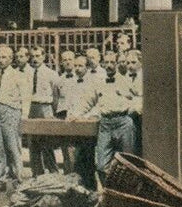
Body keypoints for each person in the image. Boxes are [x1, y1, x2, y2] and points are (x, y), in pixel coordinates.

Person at [79, 49, 138, 184]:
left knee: (128, 162)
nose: (109, 65)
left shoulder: (126, 80)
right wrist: (76, 115)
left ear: (117, 64)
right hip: (105, 125)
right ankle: (109, 190)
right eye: (106, 62)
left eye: (112, 62)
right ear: (103, 64)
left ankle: (125, 192)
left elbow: (139, 97)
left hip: (124, 123)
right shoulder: (98, 82)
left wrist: (132, 109)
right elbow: (87, 101)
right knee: (101, 164)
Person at [0, 45, 29, 192]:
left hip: (11, 111)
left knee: (13, 146)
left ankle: (19, 179)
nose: (1, 60)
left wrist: (24, 116)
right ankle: (0, 180)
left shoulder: (18, 75)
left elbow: (25, 97)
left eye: (4, 57)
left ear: (11, 59)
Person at [61, 52, 100, 182]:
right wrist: (70, 115)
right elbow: (69, 103)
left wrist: (87, 117)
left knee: (87, 157)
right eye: (76, 66)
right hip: (73, 124)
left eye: (80, 66)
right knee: (73, 159)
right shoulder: (71, 82)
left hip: (87, 125)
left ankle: (89, 186)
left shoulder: (95, 82)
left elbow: (99, 104)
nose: (77, 68)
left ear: (87, 67)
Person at [24, 47, 62, 176]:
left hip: (45, 108)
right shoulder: (26, 73)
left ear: (44, 57)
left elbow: (56, 95)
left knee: (47, 142)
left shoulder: (51, 74)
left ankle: (53, 172)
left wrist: (54, 113)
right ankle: (36, 173)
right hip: (31, 108)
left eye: (38, 56)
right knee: (32, 143)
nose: (35, 59)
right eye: (33, 56)